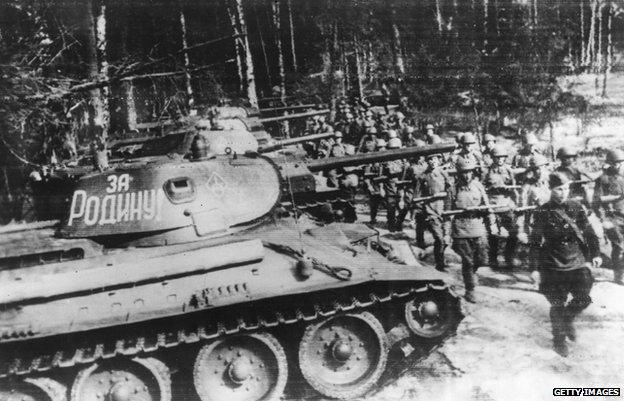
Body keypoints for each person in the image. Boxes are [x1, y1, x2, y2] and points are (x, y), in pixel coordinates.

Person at [529, 172, 602, 357]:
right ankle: (559, 340)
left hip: (576, 260)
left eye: (566, 188)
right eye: (559, 189)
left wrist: (595, 254)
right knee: (557, 303)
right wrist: (534, 269)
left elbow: (589, 233)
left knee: (584, 298)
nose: (563, 192)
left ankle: (568, 318)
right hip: (553, 263)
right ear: (551, 189)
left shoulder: (576, 207)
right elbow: (535, 242)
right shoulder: (541, 211)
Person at [450, 159, 494, 303]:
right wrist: (446, 234)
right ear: (459, 174)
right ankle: (470, 289)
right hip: (461, 229)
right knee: (467, 261)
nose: (466, 175)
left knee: (482, 259)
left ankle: (471, 274)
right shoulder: (453, 189)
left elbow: (487, 206)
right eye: (463, 173)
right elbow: (447, 213)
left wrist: (492, 222)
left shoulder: (478, 186)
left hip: (477, 226)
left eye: (469, 172)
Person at [407, 153, 454, 270]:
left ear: (439, 161)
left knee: (446, 239)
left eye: (435, 159)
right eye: (430, 160)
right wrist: (415, 214)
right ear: (427, 162)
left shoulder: (444, 174)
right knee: (439, 238)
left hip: (443, 210)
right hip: (430, 211)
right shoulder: (423, 176)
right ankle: (440, 264)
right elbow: (417, 196)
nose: (433, 162)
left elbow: (450, 193)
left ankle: (440, 257)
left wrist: (450, 209)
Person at [592, 148, 624, 285]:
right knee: (619, 246)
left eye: (621, 162)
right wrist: (603, 219)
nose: (618, 165)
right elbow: (596, 200)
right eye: (615, 163)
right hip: (611, 218)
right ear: (609, 163)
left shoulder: (622, 177)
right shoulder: (602, 179)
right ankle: (618, 276)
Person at [484, 145, 518, 270]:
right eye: (497, 157)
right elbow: (483, 189)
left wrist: (514, 201)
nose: (500, 160)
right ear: (493, 158)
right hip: (493, 206)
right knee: (493, 235)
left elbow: (514, 188)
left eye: (502, 157)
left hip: (506, 204)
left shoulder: (509, 171)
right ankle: (493, 260)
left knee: (514, 233)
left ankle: (509, 257)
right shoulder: (487, 171)